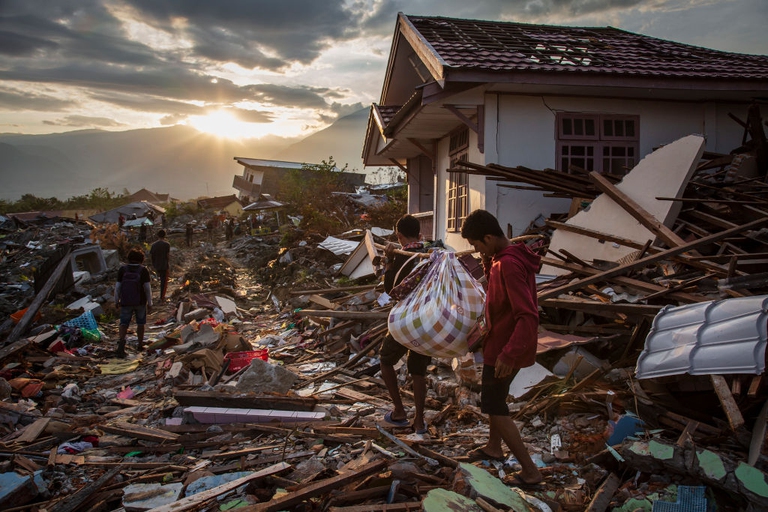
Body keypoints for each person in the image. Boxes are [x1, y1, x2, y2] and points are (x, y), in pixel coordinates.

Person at [460, 209, 543, 486]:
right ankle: (494, 446)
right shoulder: (505, 258)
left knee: (494, 405)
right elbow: (501, 293)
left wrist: (509, 353)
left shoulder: (508, 263)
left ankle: (531, 471)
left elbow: (527, 315)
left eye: (476, 245)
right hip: (502, 344)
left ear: (487, 237)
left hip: (507, 348)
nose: (475, 249)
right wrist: (486, 260)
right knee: (496, 400)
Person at [380, 214, 430, 434]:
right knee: (418, 370)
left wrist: (389, 261)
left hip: (406, 320)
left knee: (385, 359)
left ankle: (399, 411)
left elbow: (390, 289)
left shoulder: (403, 255)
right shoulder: (429, 253)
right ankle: (419, 422)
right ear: (419, 233)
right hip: (427, 319)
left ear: (399, 236)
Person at [114, 248, 153, 358]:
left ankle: (121, 343)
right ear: (141, 259)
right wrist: (150, 303)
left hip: (126, 301)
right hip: (140, 302)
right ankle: (140, 344)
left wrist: (116, 301)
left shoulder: (123, 269)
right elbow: (147, 288)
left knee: (123, 323)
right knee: (140, 323)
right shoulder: (143, 270)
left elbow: (117, 287)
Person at [149, 229, 171, 302]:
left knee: (158, 280)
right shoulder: (167, 244)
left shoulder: (154, 245)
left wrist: (153, 265)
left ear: (157, 235)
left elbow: (152, 256)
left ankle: (153, 297)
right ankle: (162, 297)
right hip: (164, 265)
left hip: (156, 265)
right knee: (163, 282)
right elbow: (167, 256)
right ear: (165, 236)